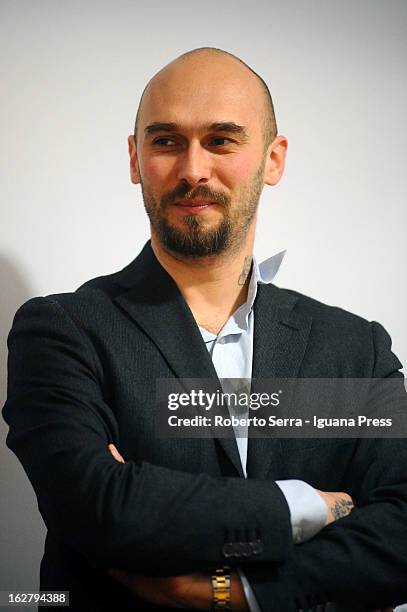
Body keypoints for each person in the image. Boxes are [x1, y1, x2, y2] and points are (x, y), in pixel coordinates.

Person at [2, 47, 407, 612]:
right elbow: (101, 508)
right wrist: (306, 506)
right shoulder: (63, 330)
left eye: (222, 140)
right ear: (134, 157)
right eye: (166, 141)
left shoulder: (357, 349)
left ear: (273, 159)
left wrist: (242, 593)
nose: (193, 169)